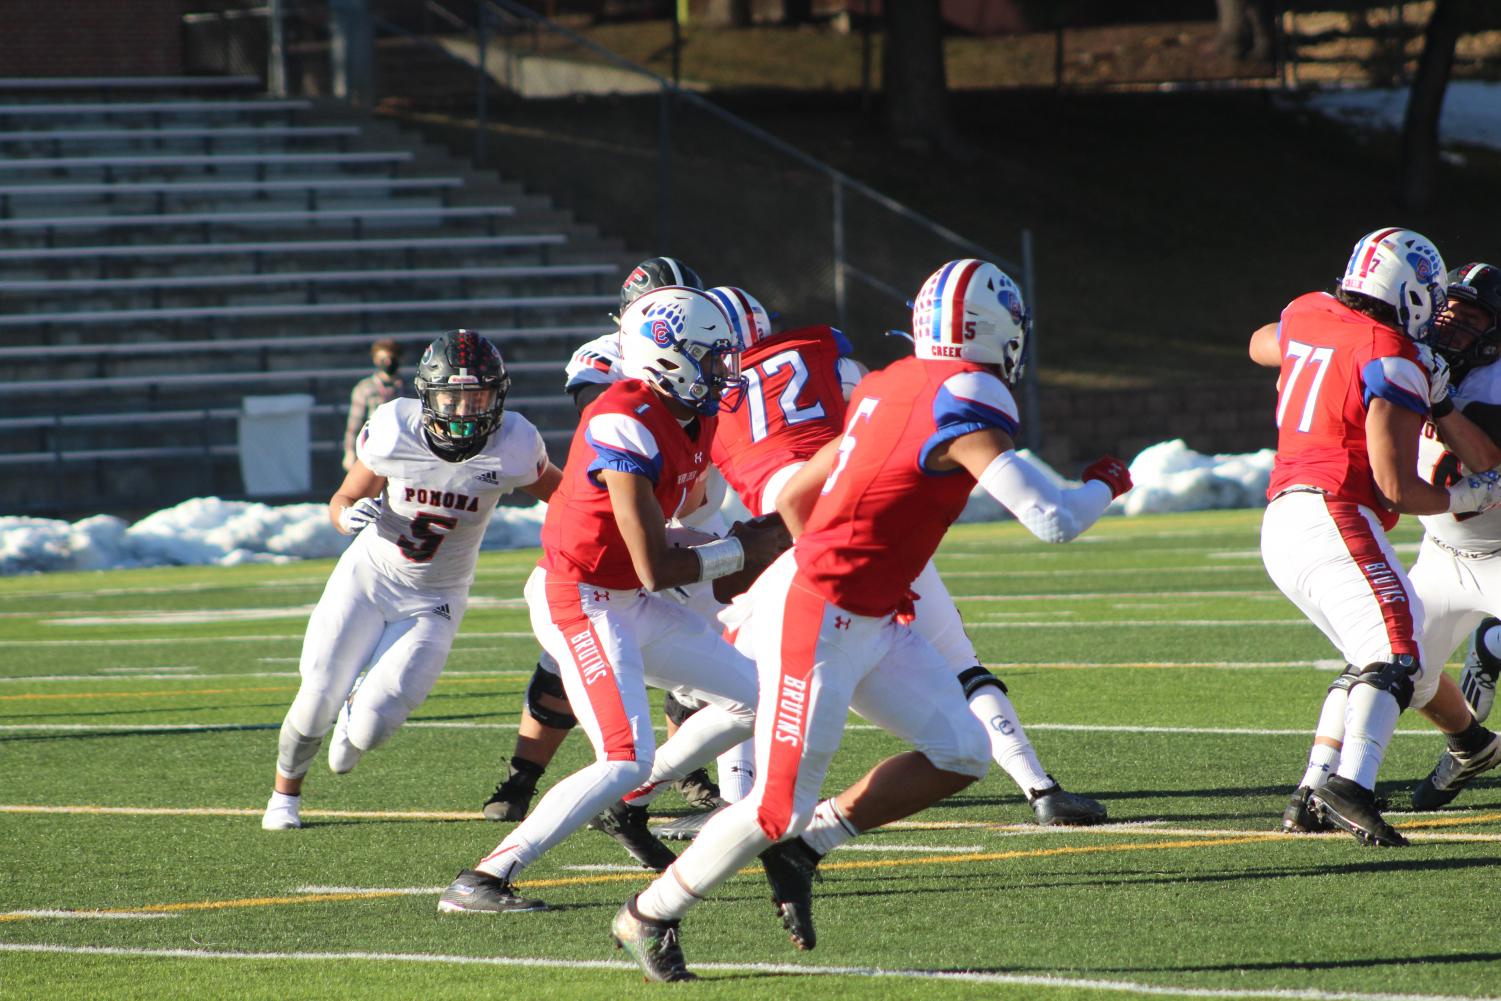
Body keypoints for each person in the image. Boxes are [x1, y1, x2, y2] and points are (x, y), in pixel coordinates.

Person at [611, 259, 1133, 982]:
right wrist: (1108, 479)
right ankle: (648, 913)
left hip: (861, 610)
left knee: (959, 752)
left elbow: (797, 493)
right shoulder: (968, 392)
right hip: (823, 613)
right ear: (994, 327)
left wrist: (844, 555)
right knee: (772, 805)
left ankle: (808, 846)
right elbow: (1049, 519)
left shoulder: (891, 379)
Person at [437, 286, 786, 913]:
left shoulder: (693, 415)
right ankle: (484, 877)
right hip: (581, 598)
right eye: (711, 358)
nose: (724, 371)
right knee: (622, 756)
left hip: (623, 594)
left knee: (759, 697)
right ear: (668, 359)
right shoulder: (621, 420)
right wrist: (740, 550)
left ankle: (626, 803)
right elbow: (655, 566)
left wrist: (744, 542)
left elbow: (661, 541)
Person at [708, 284, 1108, 827]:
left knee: (746, 682)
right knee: (959, 660)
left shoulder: (709, 398)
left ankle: (711, 805)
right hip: (868, 516)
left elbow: (700, 498)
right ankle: (1039, 786)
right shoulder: (834, 361)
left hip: (793, 529)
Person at [1249, 229, 1501, 848]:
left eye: (1469, 316)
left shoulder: (1313, 312)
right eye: (1443, 308)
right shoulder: (1393, 356)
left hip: (1302, 515)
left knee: (1385, 659)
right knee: (1392, 654)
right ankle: (1344, 787)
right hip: (1398, 532)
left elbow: (1263, 343)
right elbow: (1397, 487)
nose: (1449, 324)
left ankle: (1460, 747)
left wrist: (1436, 397)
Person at [262, 330, 562, 831]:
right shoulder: (394, 427)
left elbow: (567, 496)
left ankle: (359, 703)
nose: (465, 411)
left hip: (437, 598)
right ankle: (284, 798)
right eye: (453, 397)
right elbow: (342, 497)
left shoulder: (514, 443)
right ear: (428, 395)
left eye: (478, 397)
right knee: (316, 699)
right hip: (369, 577)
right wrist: (346, 517)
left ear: (499, 395)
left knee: (372, 730)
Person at [480, 256, 732, 824]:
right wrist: (737, 551)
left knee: (717, 638)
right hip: (612, 533)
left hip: (679, 508)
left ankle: (682, 771)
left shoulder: (702, 373)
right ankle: (525, 778)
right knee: (569, 668)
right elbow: (626, 442)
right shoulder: (612, 378)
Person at [343, 338, 405, 471]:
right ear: (376, 360)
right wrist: (350, 451)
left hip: (401, 449)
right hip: (373, 447)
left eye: (391, 357)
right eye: (383, 358)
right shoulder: (365, 388)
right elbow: (354, 423)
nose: (388, 362)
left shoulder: (408, 388)